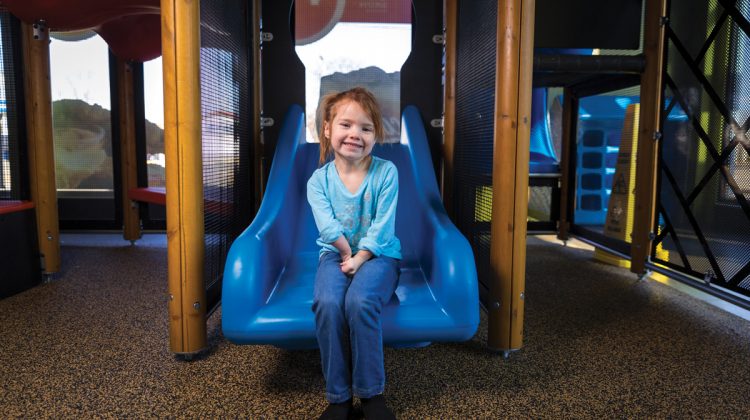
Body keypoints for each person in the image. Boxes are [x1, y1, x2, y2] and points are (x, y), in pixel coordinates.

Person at [307, 87, 401, 420]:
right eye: (346, 125)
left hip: (380, 255)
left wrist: (360, 258)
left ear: (376, 135)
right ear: (328, 129)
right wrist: (346, 253)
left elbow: (383, 227)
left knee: (359, 301)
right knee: (329, 302)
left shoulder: (386, 173)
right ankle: (338, 396)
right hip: (335, 253)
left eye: (366, 128)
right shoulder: (318, 181)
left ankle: (370, 393)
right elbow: (328, 227)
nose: (355, 135)